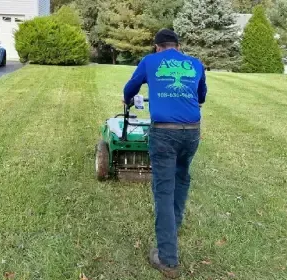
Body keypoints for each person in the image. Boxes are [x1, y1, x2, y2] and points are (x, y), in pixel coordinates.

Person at [122, 29, 207, 278]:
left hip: (164, 133)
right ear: (178, 46)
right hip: (192, 132)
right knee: (182, 177)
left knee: (164, 189)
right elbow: (201, 95)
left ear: (157, 47)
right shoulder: (195, 63)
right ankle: (175, 223)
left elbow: (131, 87)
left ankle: (168, 259)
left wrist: (127, 99)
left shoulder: (150, 61)